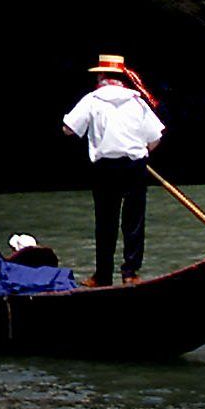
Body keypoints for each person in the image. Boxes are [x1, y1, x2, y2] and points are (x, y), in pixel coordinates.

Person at [62, 53, 164, 287]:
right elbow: (156, 137)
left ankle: (103, 275)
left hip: (105, 168)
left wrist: (93, 132)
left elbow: (68, 129)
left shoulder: (92, 100)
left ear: (101, 75)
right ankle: (130, 273)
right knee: (134, 221)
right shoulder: (137, 102)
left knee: (106, 221)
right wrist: (141, 150)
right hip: (134, 166)